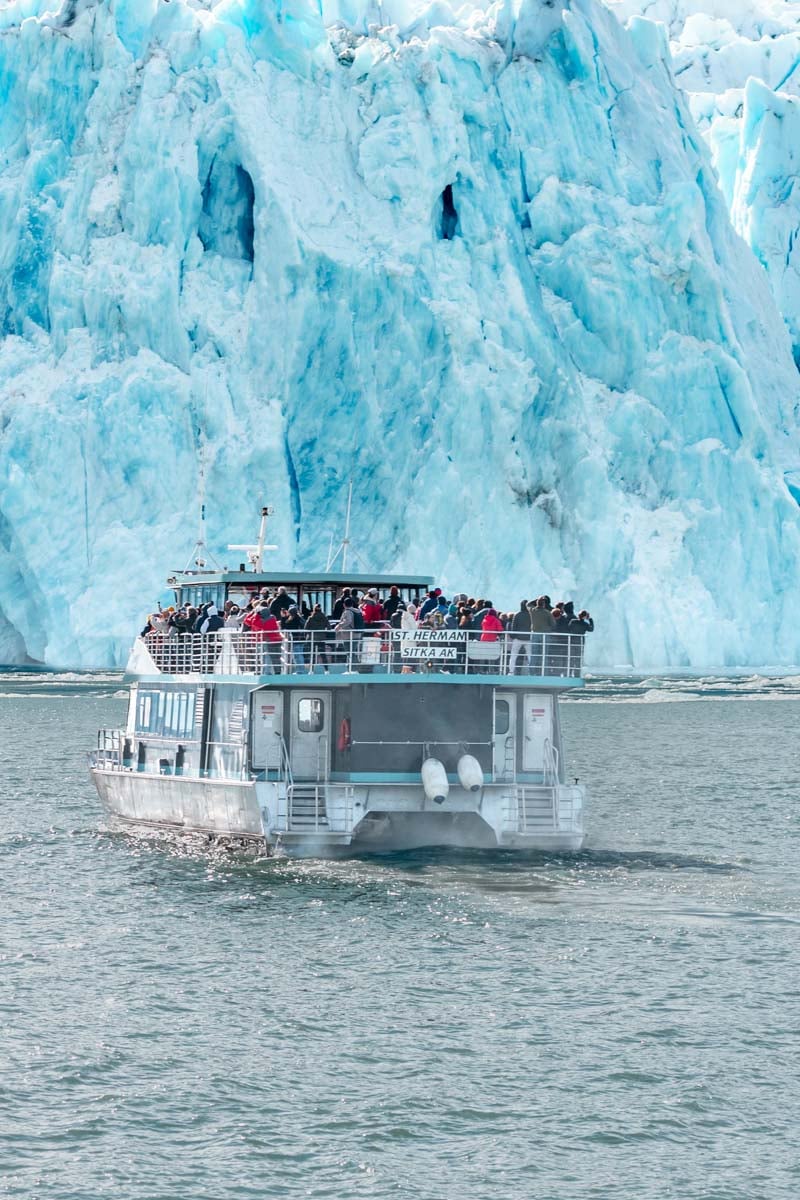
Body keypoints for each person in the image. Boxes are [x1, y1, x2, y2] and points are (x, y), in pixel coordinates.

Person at [244, 602, 283, 673]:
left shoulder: (258, 620)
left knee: (265, 657)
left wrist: (252, 613)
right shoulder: (272, 618)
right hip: (276, 640)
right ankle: (277, 672)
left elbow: (247, 622)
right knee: (275, 658)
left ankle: (266, 672)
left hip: (264, 641)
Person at [528, 597, 555, 674]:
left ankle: (532, 672)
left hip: (534, 634)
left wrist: (537, 599)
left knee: (534, 654)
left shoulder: (533, 610)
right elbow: (553, 624)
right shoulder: (547, 613)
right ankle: (543, 672)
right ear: (544, 604)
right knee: (544, 654)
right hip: (545, 635)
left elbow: (528, 604)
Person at [305, 603, 332, 672]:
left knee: (312, 655)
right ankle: (326, 670)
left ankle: (311, 671)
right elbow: (329, 628)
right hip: (321, 639)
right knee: (323, 655)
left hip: (312, 639)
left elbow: (306, 628)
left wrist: (308, 635)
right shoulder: (324, 617)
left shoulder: (310, 618)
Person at [282, 604, 306, 671]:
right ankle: (301, 670)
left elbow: (284, 627)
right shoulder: (301, 618)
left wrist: (283, 617)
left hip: (295, 639)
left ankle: (300, 671)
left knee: (297, 656)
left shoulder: (292, 620)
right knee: (300, 655)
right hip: (301, 639)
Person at [509, 600, 531, 674]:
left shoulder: (517, 614)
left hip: (518, 638)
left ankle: (511, 672)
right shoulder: (531, 614)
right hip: (529, 638)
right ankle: (531, 672)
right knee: (530, 657)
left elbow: (513, 627)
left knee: (513, 656)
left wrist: (513, 636)